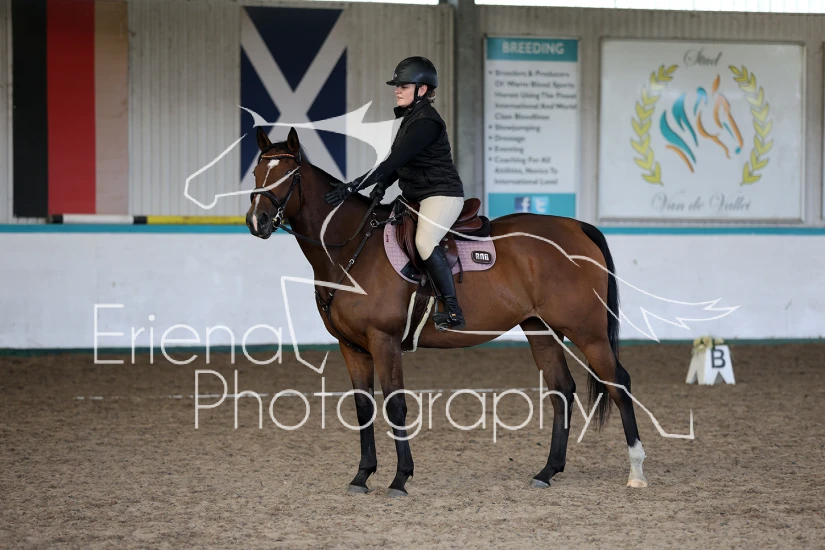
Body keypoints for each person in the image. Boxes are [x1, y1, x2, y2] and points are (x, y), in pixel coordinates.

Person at [324, 56, 466, 331]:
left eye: (403, 86)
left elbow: (392, 161)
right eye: (397, 86)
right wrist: (379, 188)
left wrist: (354, 186)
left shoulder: (427, 122)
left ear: (422, 90)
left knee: (424, 241)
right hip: (417, 196)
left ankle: (452, 309)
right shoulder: (411, 119)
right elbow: (398, 163)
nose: (397, 90)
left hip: (441, 195)